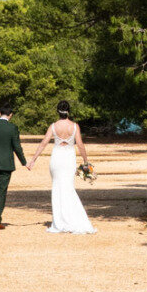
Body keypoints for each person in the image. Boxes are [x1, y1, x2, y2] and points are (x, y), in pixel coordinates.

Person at [44, 100, 94, 234]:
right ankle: (71, 217)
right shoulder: (75, 126)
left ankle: (60, 220)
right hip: (68, 159)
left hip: (56, 158)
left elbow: (44, 142)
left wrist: (33, 159)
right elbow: (80, 144)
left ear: (58, 111)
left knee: (57, 187)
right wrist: (85, 161)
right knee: (68, 187)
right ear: (68, 111)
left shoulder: (53, 126)